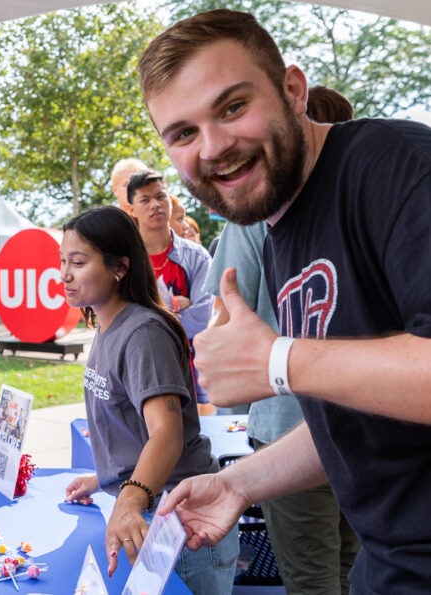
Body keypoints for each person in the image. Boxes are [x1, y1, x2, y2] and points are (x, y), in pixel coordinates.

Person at [140, 9, 431, 592]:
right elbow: (362, 413)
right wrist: (239, 484)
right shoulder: (284, 220)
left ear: (293, 89)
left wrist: (279, 362)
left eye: (233, 107)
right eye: (183, 133)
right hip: (393, 566)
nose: (214, 146)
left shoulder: (407, 169)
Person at [200, 83, 361, 595]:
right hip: (355, 422)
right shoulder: (357, 206)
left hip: (294, 429)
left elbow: (222, 319)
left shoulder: (253, 213)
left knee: (317, 575)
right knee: (350, 566)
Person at [59, 205, 238, 593]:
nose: (65, 275)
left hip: (182, 523)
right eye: (63, 261)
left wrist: (128, 498)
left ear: (119, 267)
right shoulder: (108, 323)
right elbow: (132, 423)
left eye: (78, 262)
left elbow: (167, 434)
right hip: (154, 509)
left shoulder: (144, 333)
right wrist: (111, 475)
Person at [127, 170, 215, 414]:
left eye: (160, 196)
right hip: (137, 367)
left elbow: (200, 320)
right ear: (132, 209)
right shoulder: (125, 261)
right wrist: (175, 306)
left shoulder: (197, 257)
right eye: (144, 200)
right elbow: (120, 316)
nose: (155, 204)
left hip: (189, 369)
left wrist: (148, 316)